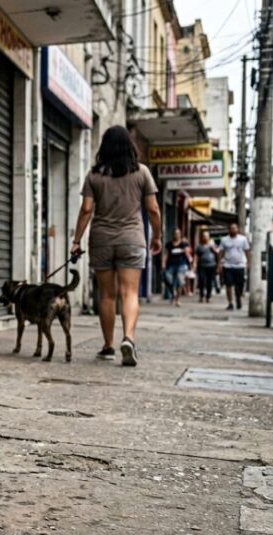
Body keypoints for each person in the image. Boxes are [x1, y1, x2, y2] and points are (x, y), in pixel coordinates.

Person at [72, 126, 162, 367]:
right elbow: (153, 209)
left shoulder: (94, 175)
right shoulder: (142, 172)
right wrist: (157, 236)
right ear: (129, 146)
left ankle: (108, 346)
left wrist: (76, 240)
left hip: (101, 239)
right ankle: (128, 338)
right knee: (129, 293)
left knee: (107, 295)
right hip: (132, 239)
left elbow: (86, 209)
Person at [218, 222, 251, 310]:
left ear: (237, 229)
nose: (233, 230)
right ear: (229, 230)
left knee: (239, 285)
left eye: (235, 228)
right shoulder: (224, 240)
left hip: (240, 265)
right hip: (227, 265)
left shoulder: (243, 239)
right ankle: (230, 303)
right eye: (231, 228)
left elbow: (247, 251)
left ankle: (238, 297)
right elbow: (221, 252)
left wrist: (249, 263)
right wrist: (219, 264)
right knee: (228, 285)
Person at [162, 228, 191, 306]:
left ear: (180, 234)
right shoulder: (169, 244)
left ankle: (178, 300)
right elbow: (166, 254)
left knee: (180, 281)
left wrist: (190, 264)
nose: (176, 235)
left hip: (181, 265)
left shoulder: (184, 244)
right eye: (175, 233)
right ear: (173, 235)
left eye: (178, 233)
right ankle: (173, 293)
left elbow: (188, 254)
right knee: (168, 279)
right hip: (171, 264)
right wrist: (163, 263)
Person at [194, 230, 218, 303]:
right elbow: (196, 256)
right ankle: (201, 296)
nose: (205, 237)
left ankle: (208, 296)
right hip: (202, 266)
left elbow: (217, 254)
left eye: (206, 236)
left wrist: (213, 248)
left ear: (209, 237)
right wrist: (194, 264)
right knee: (202, 280)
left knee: (209, 282)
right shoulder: (199, 246)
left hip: (211, 266)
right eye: (204, 236)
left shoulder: (212, 245)